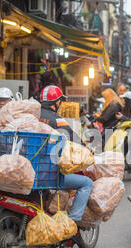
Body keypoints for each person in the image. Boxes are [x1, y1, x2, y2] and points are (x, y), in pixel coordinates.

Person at [38, 85, 93, 227]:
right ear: (57, 102)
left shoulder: (31, 117)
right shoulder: (57, 120)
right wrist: (87, 149)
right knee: (87, 183)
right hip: (50, 174)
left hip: (30, 171)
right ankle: (72, 222)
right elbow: (76, 141)